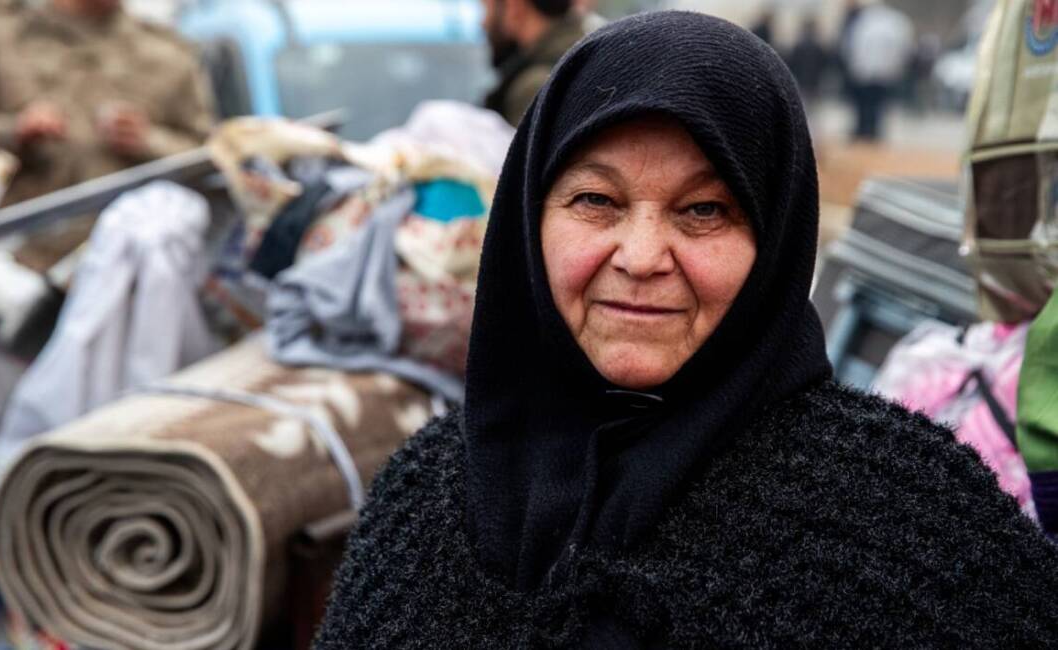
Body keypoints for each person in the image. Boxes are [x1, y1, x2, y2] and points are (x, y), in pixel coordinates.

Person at [316, 11, 1058, 648]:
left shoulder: (906, 521)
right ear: (526, 221)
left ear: (775, 239)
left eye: (704, 211)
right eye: (596, 200)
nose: (640, 259)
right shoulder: (426, 499)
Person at [0, 0, 214, 269]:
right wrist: (12, 131)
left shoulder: (169, 54)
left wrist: (149, 140)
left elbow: (213, 160)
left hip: (129, 265)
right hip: (12, 261)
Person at [482, 0, 587, 127]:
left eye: (486, 8)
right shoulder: (587, 54)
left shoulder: (534, 88)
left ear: (515, 7)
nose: (483, 23)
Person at [841, 0, 914, 140]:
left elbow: (852, 47)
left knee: (864, 104)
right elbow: (903, 50)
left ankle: (863, 130)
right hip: (885, 72)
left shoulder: (863, 22)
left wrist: (854, 67)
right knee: (878, 106)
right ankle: (873, 131)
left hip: (864, 71)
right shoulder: (896, 23)